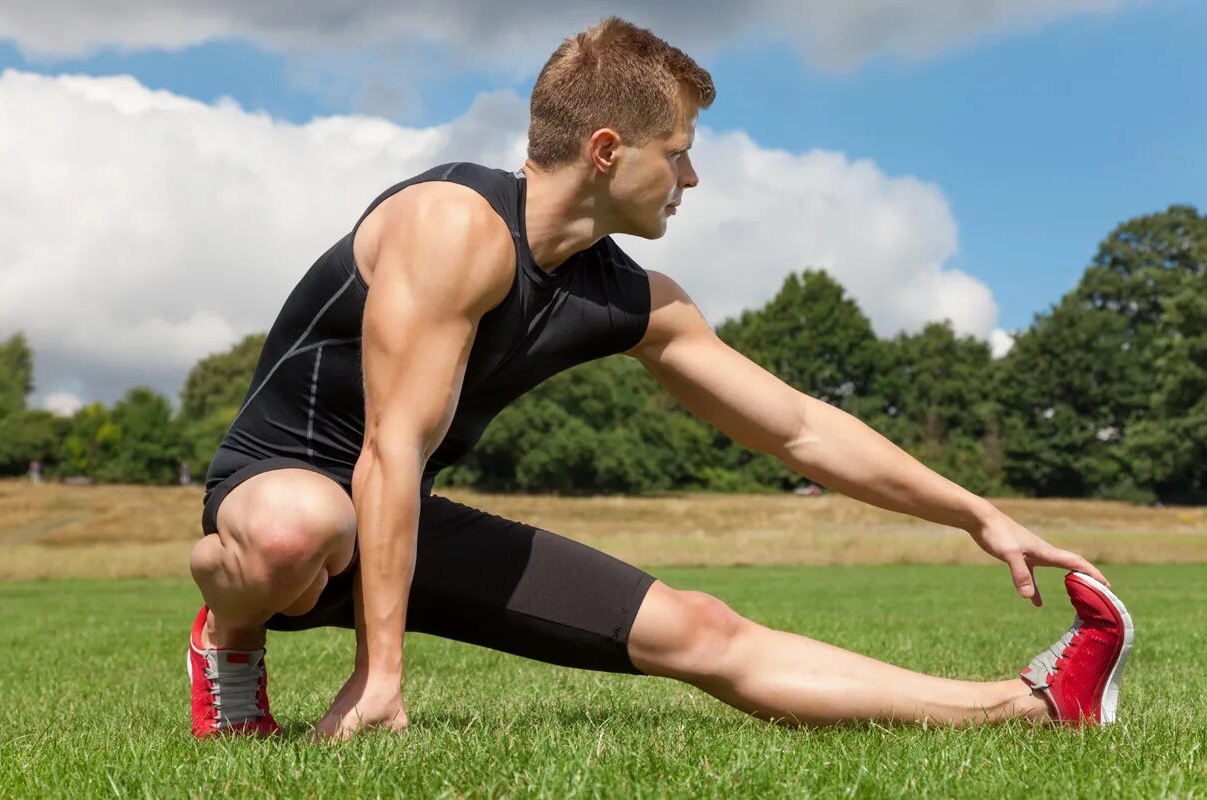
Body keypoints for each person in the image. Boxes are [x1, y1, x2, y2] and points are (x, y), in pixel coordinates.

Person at [186, 16, 1133, 741]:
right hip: (283, 499)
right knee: (300, 527)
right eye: (678, 152)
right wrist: (378, 676)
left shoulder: (634, 299)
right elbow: (392, 446)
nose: (691, 179)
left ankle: (1033, 707)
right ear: (608, 150)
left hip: (399, 523)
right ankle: (228, 635)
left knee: (701, 629)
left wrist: (977, 513)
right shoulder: (452, 226)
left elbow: (797, 430)